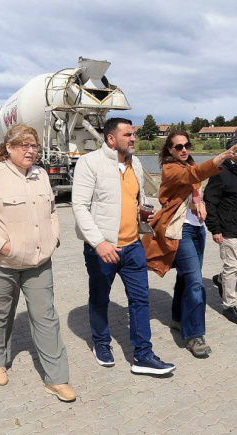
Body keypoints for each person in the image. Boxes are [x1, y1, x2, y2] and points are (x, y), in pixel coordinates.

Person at [0, 124, 75, 402]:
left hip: (38, 262)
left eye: (34, 145)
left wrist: (53, 237)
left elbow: (51, 212)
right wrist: (3, 246)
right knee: (1, 313)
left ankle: (57, 379)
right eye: (23, 145)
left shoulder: (41, 175)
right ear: (8, 148)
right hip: (0, 263)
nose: (31, 150)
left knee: (46, 317)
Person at [72, 117, 176, 376]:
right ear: (110, 138)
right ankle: (101, 342)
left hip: (133, 247)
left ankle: (143, 355)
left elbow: (135, 199)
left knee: (140, 300)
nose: (133, 138)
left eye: (133, 134)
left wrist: (143, 214)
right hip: (103, 249)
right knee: (99, 299)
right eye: (128, 135)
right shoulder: (89, 163)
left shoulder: (135, 163)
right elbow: (80, 207)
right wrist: (99, 244)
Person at [143, 131, 237, 358]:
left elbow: (195, 186)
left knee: (186, 278)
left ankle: (177, 319)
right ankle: (194, 335)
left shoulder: (188, 163)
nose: (184, 150)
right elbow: (195, 174)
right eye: (178, 147)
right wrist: (222, 157)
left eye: (186, 145)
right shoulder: (171, 169)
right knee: (196, 283)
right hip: (181, 230)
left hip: (197, 228)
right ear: (170, 150)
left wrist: (201, 201)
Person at [203, 136, 237, 325]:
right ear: (231, 153)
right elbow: (210, 201)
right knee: (231, 266)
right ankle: (229, 305)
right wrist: (215, 229)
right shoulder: (220, 172)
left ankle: (221, 279)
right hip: (227, 229)